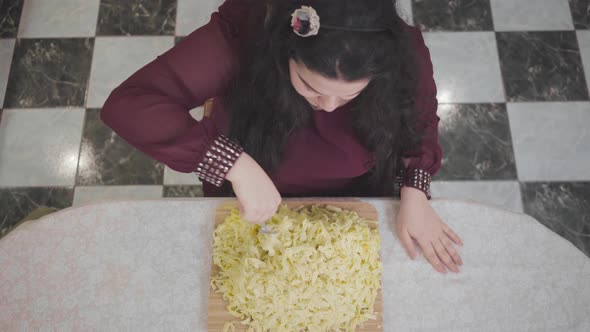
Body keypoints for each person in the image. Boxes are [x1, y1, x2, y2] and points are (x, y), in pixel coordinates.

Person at [101, 0, 464, 274]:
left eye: (351, 95)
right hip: (253, 185)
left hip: (357, 189)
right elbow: (131, 104)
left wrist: (415, 190)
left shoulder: (402, 49)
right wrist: (235, 165)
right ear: (284, 48)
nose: (330, 107)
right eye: (310, 87)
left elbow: (420, 122)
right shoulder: (246, 29)